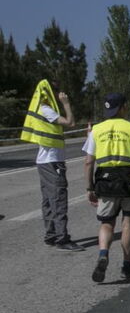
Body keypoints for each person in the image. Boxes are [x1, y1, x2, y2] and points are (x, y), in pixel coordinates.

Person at [83, 93, 130, 282]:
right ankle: (128, 265)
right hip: (129, 182)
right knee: (128, 223)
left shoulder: (96, 130)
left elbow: (89, 162)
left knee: (106, 223)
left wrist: (90, 188)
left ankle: (103, 253)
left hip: (105, 183)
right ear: (123, 107)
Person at [21, 79, 82, 251]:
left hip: (44, 162)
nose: (59, 94)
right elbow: (70, 122)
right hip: (52, 162)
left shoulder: (41, 109)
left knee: (48, 200)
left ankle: (51, 235)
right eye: (57, 92)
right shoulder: (46, 109)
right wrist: (66, 104)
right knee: (58, 198)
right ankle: (62, 239)